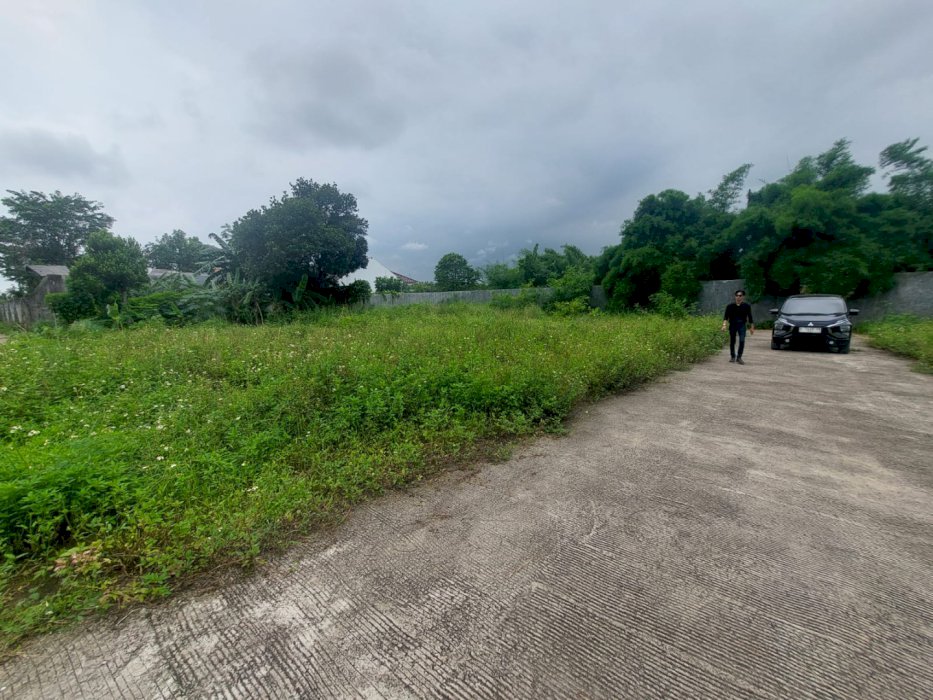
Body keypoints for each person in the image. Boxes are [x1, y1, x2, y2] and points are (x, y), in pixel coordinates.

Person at [721, 290, 754, 364]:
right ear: (735, 296)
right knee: (732, 341)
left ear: (743, 297)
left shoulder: (746, 306)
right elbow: (726, 317)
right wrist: (724, 325)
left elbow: (750, 317)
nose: (738, 297)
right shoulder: (730, 306)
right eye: (737, 295)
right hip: (732, 324)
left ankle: (739, 357)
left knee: (742, 340)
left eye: (740, 296)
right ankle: (733, 356)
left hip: (742, 325)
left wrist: (752, 327)